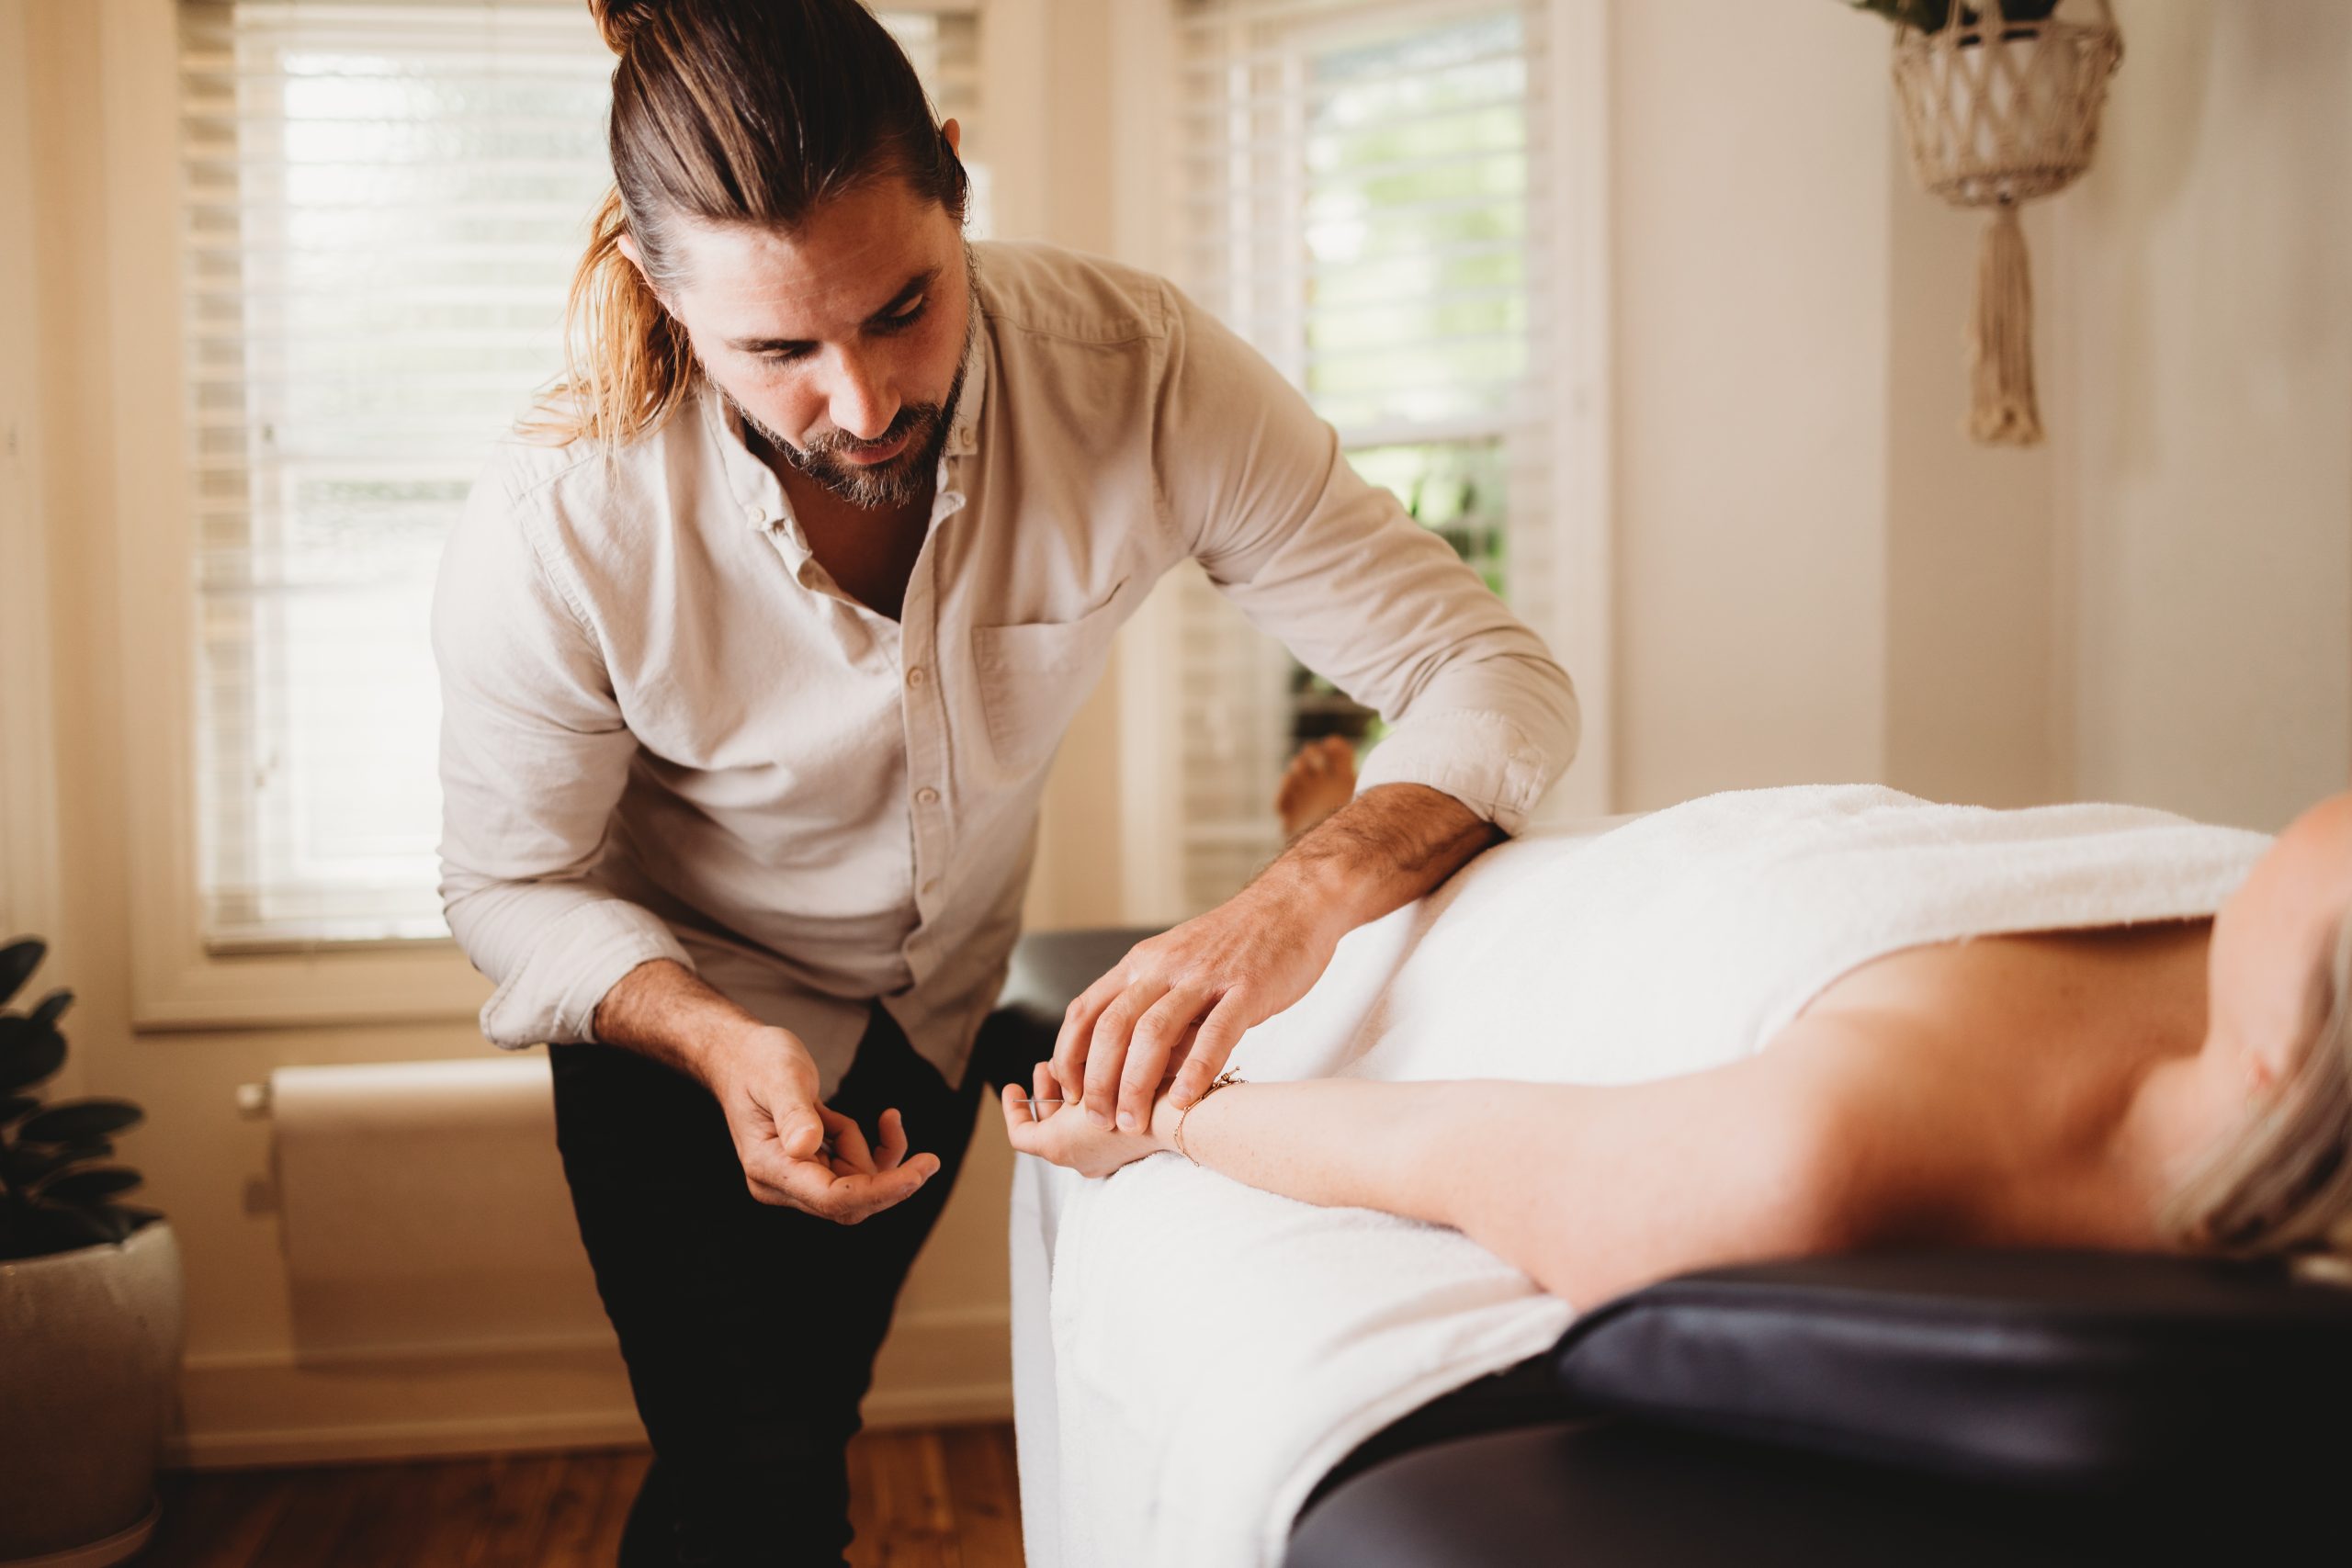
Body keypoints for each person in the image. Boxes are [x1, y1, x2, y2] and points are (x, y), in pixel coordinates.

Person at [429, 1, 1576, 1562]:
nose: (864, 401)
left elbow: (1493, 675)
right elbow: (510, 881)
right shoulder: (562, 513)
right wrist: (708, 1037)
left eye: (904, 306)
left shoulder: (1139, 373)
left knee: (787, 1436)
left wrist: (1295, 902)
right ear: (660, 292)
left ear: (956, 184)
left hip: (931, 1011)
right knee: (760, 1475)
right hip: (676, 1029)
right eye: (780, 350)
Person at [1006, 788, 2352, 1304]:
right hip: (1647, 855)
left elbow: (1437, 1144)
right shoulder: (2265, 981)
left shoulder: (1821, 1153)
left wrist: (1166, 1116)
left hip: (1528, 937)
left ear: (2276, 1062)